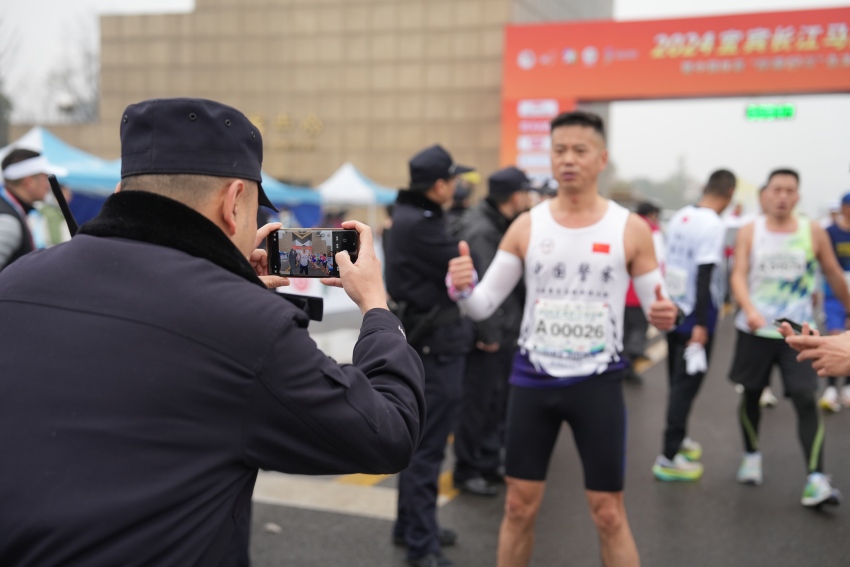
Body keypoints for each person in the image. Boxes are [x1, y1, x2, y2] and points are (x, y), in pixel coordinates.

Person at [0, 97, 426, 566]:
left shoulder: (13, 283)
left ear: (123, 188)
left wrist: (231, 286)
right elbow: (389, 433)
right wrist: (376, 307)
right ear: (234, 201)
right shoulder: (249, 329)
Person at [448, 110, 678, 567]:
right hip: (533, 381)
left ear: (601, 158)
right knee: (518, 506)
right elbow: (482, 305)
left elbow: (662, 309)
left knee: (609, 512)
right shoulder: (527, 226)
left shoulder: (629, 228)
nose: (568, 159)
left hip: (598, 383)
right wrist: (461, 288)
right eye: (559, 150)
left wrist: (667, 315)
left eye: (579, 150)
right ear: (550, 159)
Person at [728, 168, 849, 507]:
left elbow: (833, 273)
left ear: (797, 196)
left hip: (799, 335)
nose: (782, 196)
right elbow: (738, 273)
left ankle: (816, 478)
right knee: (751, 395)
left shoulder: (812, 231)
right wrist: (749, 307)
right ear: (766, 194)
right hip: (754, 330)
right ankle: (751, 455)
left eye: (789, 190)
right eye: (776, 189)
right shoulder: (751, 231)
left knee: (804, 398)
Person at [385, 144, 474, 567]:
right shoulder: (421, 225)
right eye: (454, 179)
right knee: (429, 449)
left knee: (420, 444)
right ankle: (422, 547)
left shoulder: (411, 217)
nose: (459, 186)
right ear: (439, 186)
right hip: (436, 346)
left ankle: (411, 526)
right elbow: (463, 262)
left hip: (427, 343)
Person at [651, 169, 737, 482]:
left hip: (674, 307)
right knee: (687, 386)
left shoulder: (681, 216)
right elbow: (704, 274)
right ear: (729, 193)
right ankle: (669, 456)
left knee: (678, 381)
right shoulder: (714, 224)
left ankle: (679, 439)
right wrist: (702, 323)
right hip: (696, 313)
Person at [452, 166, 531, 498]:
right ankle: (467, 468)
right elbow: (481, 288)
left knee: (496, 402)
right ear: (515, 197)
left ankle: (488, 461)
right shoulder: (483, 230)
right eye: (526, 192)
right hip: (486, 336)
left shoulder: (498, 223)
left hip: (503, 332)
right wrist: (489, 334)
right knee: (478, 403)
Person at [0, 149, 67, 271]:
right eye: (45, 178)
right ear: (29, 182)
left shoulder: (11, 210)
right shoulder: (8, 221)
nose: (48, 186)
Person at [622, 200, 664, 384]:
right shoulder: (651, 230)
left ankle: (620, 364)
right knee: (639, 329)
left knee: (623, 331)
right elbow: (659, 262)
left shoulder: (623, 225)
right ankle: (630, 363)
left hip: (621, 290)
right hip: (640, 292)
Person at [817, 191, 850, 412]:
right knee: (835, 336)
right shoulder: (830, 232)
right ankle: (830, 388)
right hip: (834, 293)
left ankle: (847, 387)